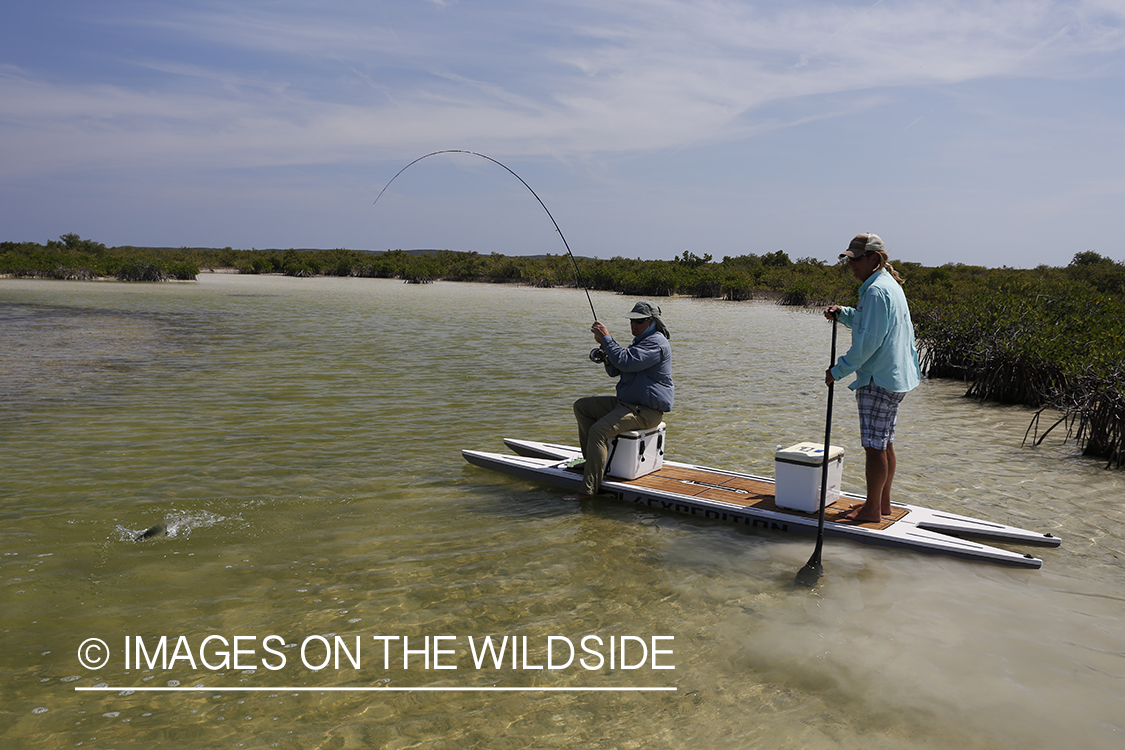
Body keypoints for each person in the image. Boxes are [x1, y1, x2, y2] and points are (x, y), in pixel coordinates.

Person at [824, 233, 921, 523]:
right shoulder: (884, 286)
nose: (851, 264)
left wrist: (837, 370)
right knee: (885, 440)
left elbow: (868, 342)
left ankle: (871, 511)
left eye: (856, 259)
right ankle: (882, 503)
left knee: (874, 445)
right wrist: (843, 313)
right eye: (849, 259)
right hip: (894, 376)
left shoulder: (877, 291)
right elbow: (869, 322)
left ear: (874, 259)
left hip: (879, 377)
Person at [567, 301, 674, 500]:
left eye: (639, 321)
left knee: (598, 430)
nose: (633, 325)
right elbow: (617, 368)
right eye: (632, 320)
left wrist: (606, 338)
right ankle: (592, 461)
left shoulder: (656, 343)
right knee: (582, 407)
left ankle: (588, 491)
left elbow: (626, 361)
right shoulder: (640, 341)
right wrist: (605, 350)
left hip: (646, 411)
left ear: (652, 322)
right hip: (627, 404)